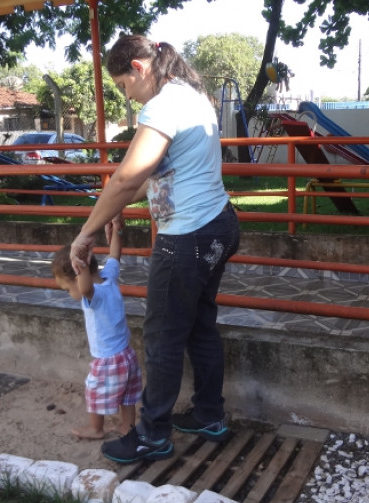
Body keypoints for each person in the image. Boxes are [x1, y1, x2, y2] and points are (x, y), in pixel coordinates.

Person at [69, 34, 240, 464]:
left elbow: (126, 177)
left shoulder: (162, 104)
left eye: (124, 86)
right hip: (218, 225)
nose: (127, 96)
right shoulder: (193, 96)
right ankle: (209, 414)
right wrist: (119, 205)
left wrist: (86, 233)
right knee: (200, 324)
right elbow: (155, 174)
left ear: (140, 69)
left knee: (162, 338)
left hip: (187, 237)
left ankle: (152, 434)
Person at [52, 216, 141, 440]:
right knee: (127, 394)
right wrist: (116, 233)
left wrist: (79, 260)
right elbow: (114, 257)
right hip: (127, 355)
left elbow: (85, 287)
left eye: (66, 288)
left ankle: (96, 429)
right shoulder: (109, 279)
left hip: (108, 360)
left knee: (94, 391)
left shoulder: (94, 295)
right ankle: (128, 426)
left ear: (79, 275)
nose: (70, 294)